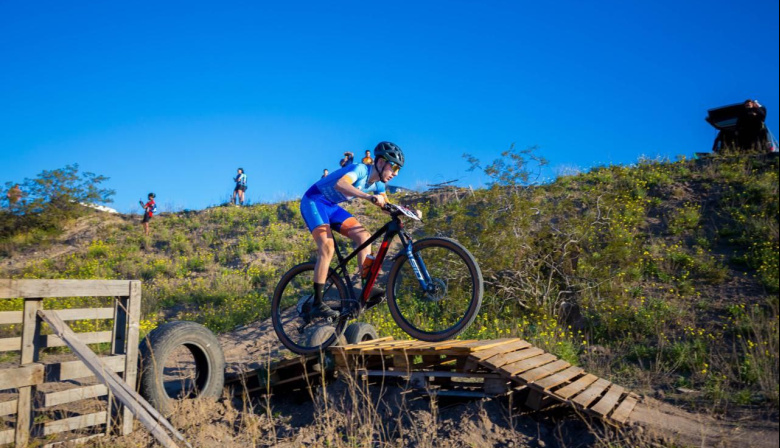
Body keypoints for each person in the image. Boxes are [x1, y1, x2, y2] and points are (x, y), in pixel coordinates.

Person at [300, 142, 404, 318]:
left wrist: (407, 211)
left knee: (364, 236)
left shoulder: (378, 185)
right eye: (393, 167)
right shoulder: (360, 169)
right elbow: (341, 184)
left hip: (331, 206)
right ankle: (317, 302)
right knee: (327, 247)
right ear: (380, 163)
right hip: (314, 201)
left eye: (398, 170)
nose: (395, 173)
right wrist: (368, 197)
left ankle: (364, 289)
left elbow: (387, 206)